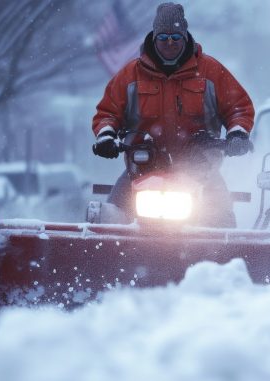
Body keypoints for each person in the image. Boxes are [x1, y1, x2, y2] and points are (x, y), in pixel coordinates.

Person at [92, 2, 254, 228]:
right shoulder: (131, 75)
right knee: (109, 221)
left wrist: (238, 134)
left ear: (185, 37)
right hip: (142, 166)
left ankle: (225, 260)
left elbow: (238, 107)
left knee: (222, 219)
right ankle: (106, 256)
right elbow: (108, 112)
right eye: (163, 38)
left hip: (200, 166)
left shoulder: (210, 71)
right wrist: (106, 137)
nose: (170, 43)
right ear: (154, 38)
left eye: (176, 37)